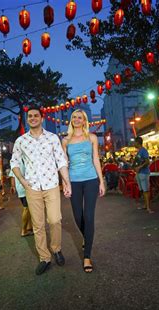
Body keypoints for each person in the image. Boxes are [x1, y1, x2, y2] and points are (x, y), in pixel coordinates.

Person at [10, 105, 71, 276]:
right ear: (27, 119)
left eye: (36, 115)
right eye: (30, 116)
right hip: (32, 187)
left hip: (51, 185)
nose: (33, 118)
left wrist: (66, 182)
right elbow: (14, 162)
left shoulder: (52, 138)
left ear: (42, 118)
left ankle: (56, 249)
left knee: (55, 220)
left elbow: (61, 161)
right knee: (38, 225)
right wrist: (22, 180)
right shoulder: (21, 141)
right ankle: (45, 258)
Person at [62, 109, 105, 273]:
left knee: (88, 216)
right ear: (71, 120)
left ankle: (87, 256)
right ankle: (87, 236)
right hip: (73, 181)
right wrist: (65, 183)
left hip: (90, 180)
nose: (77, 119)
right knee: (78, 216)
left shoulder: (92, 137)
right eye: (74, 117)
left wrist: (101, 181)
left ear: (85, 120)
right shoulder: (65, 141)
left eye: (80, 117)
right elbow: (64, 164)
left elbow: (95, 159)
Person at [9, 159, 33, 237]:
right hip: (25, 188)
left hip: (20, 188)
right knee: (26, 208)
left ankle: (29, 227)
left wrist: (13, 186)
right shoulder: (23, 160)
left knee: (27, 208)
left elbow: (12, 176)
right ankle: (24, 230)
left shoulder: (15, 161)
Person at [133, 136, 153, 213]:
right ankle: (145, 205)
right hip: (140, 173)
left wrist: (139, 167)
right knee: (142, 190)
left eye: (135, 142)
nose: (134, 144)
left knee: (145, 190)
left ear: (138, 143)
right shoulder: (139, 151)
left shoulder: (143, 151)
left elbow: (147, 161)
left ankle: (148, 208)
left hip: (144, 173)